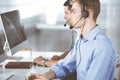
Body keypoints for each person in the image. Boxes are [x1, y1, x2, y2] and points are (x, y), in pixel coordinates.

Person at [27, 0, 116, 80]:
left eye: (73, 11)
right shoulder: (81, 39)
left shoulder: (102, 47)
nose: (70, 16)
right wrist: (45, 76)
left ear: (86, 13)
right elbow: (64, 66)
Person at [34, 0, 74, 67]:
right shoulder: (77, 31)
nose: (64, 17)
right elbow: (73, 50)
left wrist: (44, 62)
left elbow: (69, 63)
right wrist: (60, 57)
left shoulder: (84, 34)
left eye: (66, 13)